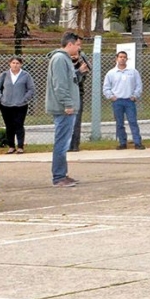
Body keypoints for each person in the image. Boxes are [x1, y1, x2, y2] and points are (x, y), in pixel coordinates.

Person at [45, 32, 83, 187]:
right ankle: (59, 177)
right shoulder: (60, 59)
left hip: (67, 107)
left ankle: (62, 174)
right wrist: (68, 104)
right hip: (63, 109)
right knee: (62, 142)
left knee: (64, 142)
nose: (79, 48)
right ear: (70, 44)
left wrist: (79, 72)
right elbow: (60, 85)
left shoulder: (65, 60)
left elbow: (69, 81)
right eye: (78, 45)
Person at [102, 50, 145, 150]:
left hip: (129, 101)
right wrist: (111, 96)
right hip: (117, 101)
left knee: (133, 122)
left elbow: (138, 85)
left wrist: (135, 96)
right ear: (116, 59)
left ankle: (137, 142)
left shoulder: (133, 72)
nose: (122, 59)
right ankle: (122, 143)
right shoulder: (111, 73)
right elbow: (106, 87)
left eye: (124, 57)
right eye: (120, 57)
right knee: (119, 123)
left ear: (127, 59)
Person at [0, 57, 34, 154]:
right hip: (6, 105)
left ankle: (20, 146)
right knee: (9, 126)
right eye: (13, 63)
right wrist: (1, 98)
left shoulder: (26, 75)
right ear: (9, 64)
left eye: (17, 63)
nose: (15, 65)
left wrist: (24, 99)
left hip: (21, 105)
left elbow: (31, 89)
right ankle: (11, 146)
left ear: (21, 64)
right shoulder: (4, 75)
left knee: (19, 125)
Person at [68, 51, 91, 152]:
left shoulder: (83, 66)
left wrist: (80, 70)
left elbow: (78, 80)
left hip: (78, 96)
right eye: (71, 54)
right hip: (66, 96)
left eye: (76, 54)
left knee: (76, 121)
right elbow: (67, 79)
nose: (73, 56)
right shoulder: (64, 64)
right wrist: (78, 71)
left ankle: (75, 145)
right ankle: (67, 145)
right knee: (67, 122)